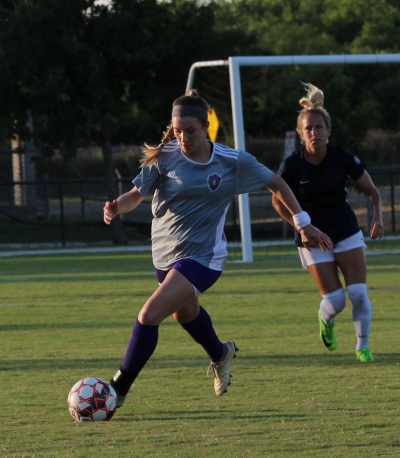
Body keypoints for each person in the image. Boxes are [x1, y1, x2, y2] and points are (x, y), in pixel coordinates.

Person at [102, 91, 332, 410]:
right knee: (186, 314)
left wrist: (303, 223)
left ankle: (118, 390)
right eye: (178, 131)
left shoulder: (231, 161)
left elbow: (277, 183)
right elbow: (135, 194)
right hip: (165, 254)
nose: (183, 138)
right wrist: (117, 206)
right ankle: (221, 353)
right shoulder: (164, 156)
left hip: (204, 256)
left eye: (190, 131)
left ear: (206, 126)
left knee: (148, 315)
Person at [273, 83, 383, 362]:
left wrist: (378, 217)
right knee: (336, 301)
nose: (314, 132)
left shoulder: (341, 157)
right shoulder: (292, 165)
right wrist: (301, 227)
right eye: (308, 128)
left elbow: (372, 191)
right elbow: (277, 201)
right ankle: (326, 319)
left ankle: (363, 347)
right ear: (301, 134)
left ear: (328, 130)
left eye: (319, 127)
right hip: (312, 237)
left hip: (345, 230)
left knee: (358, 294)